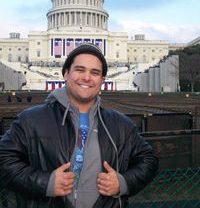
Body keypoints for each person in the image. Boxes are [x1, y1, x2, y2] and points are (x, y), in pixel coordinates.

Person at [0, 43, 158, 208]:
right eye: (80, 70)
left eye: (94, 72)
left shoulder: (120, 123)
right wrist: (45, 183)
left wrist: (123, 183)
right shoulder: (30, 120)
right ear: (66, 74)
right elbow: (4, 161)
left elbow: (149, 160)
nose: (87, 77)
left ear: (102, 80)